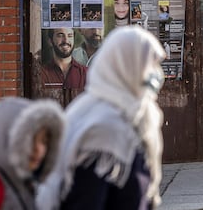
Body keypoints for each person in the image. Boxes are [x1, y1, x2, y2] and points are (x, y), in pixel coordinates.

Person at [37, 25, 166, 210]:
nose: (156, 73)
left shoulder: (135, 113)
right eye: (149, 64)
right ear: (125, 67)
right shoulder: (103, 126)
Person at [0, 96, 65, 209]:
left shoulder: (28, 185)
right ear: (8, 138)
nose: (39, 149)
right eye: (31, 139)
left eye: (44, 141)